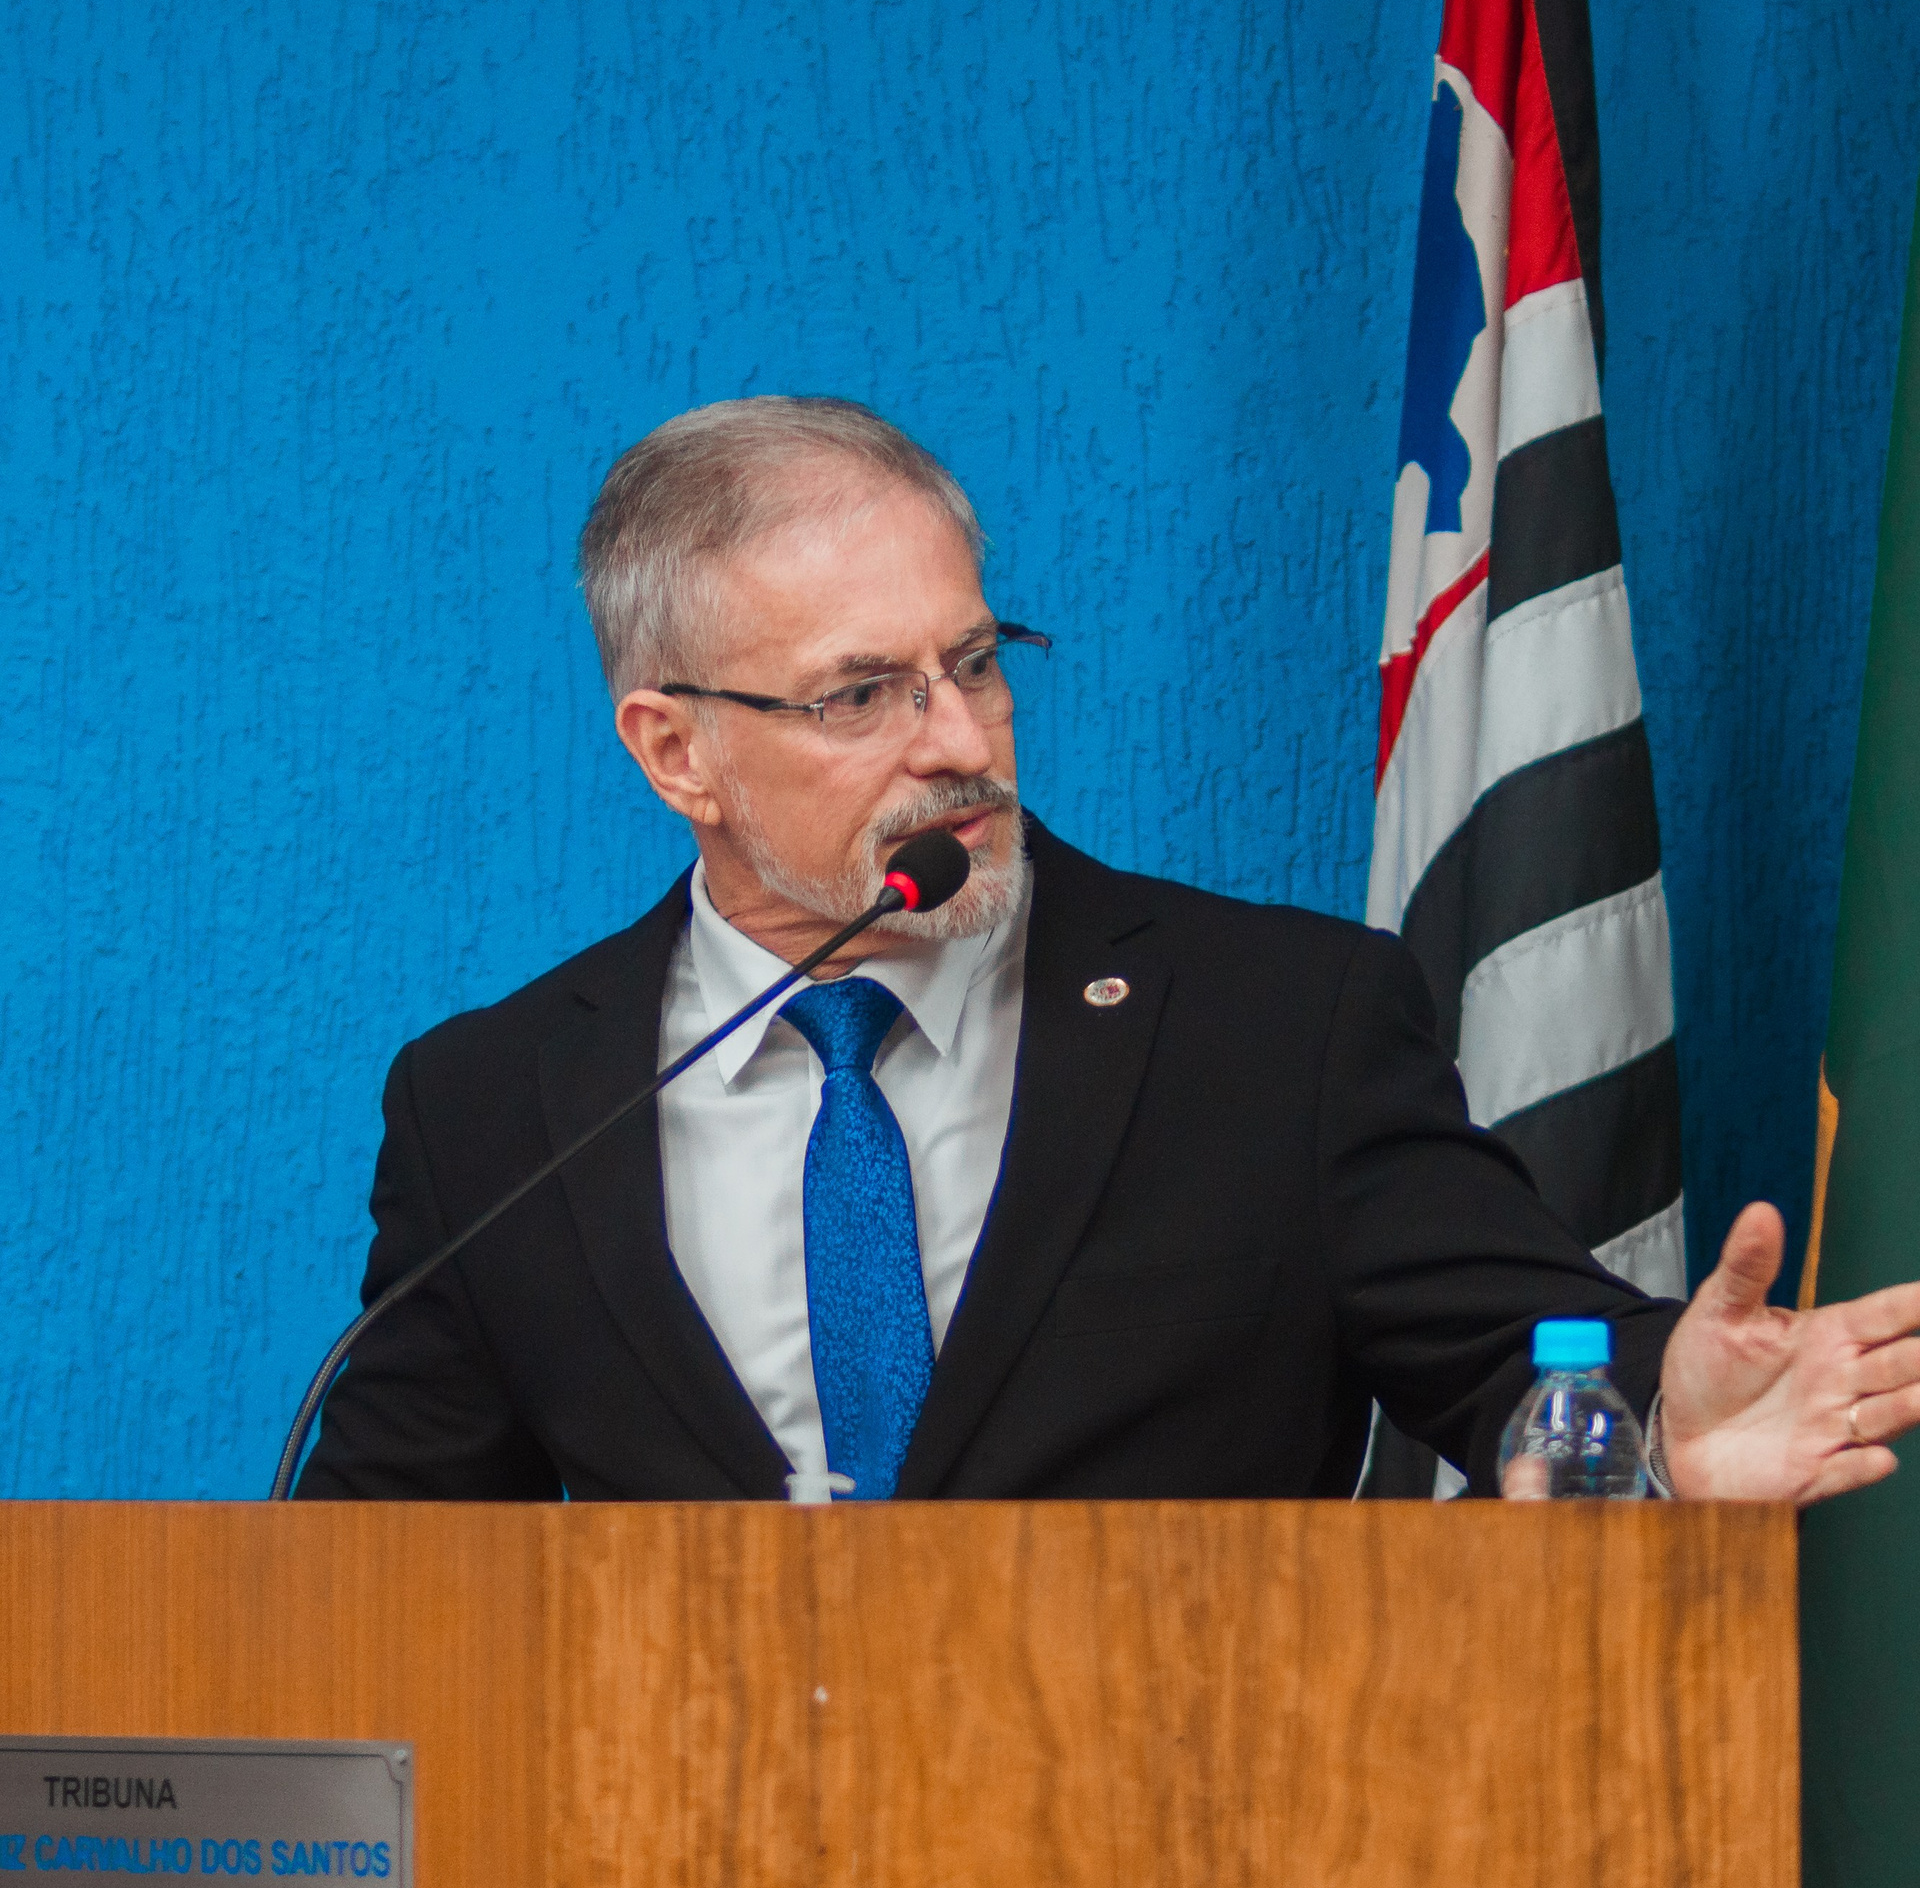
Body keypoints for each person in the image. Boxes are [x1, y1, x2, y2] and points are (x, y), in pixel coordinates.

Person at [297, 397, 1920, 1505]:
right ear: (676, 753)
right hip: (680, 1885)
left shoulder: (1278, 1025)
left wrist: (1664, 1420)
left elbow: (1520, 1354)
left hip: (1178, 1870)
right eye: (862, 695)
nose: (960, 739)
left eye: (975, 661)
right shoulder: (497, 1105)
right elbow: (379, 1577)